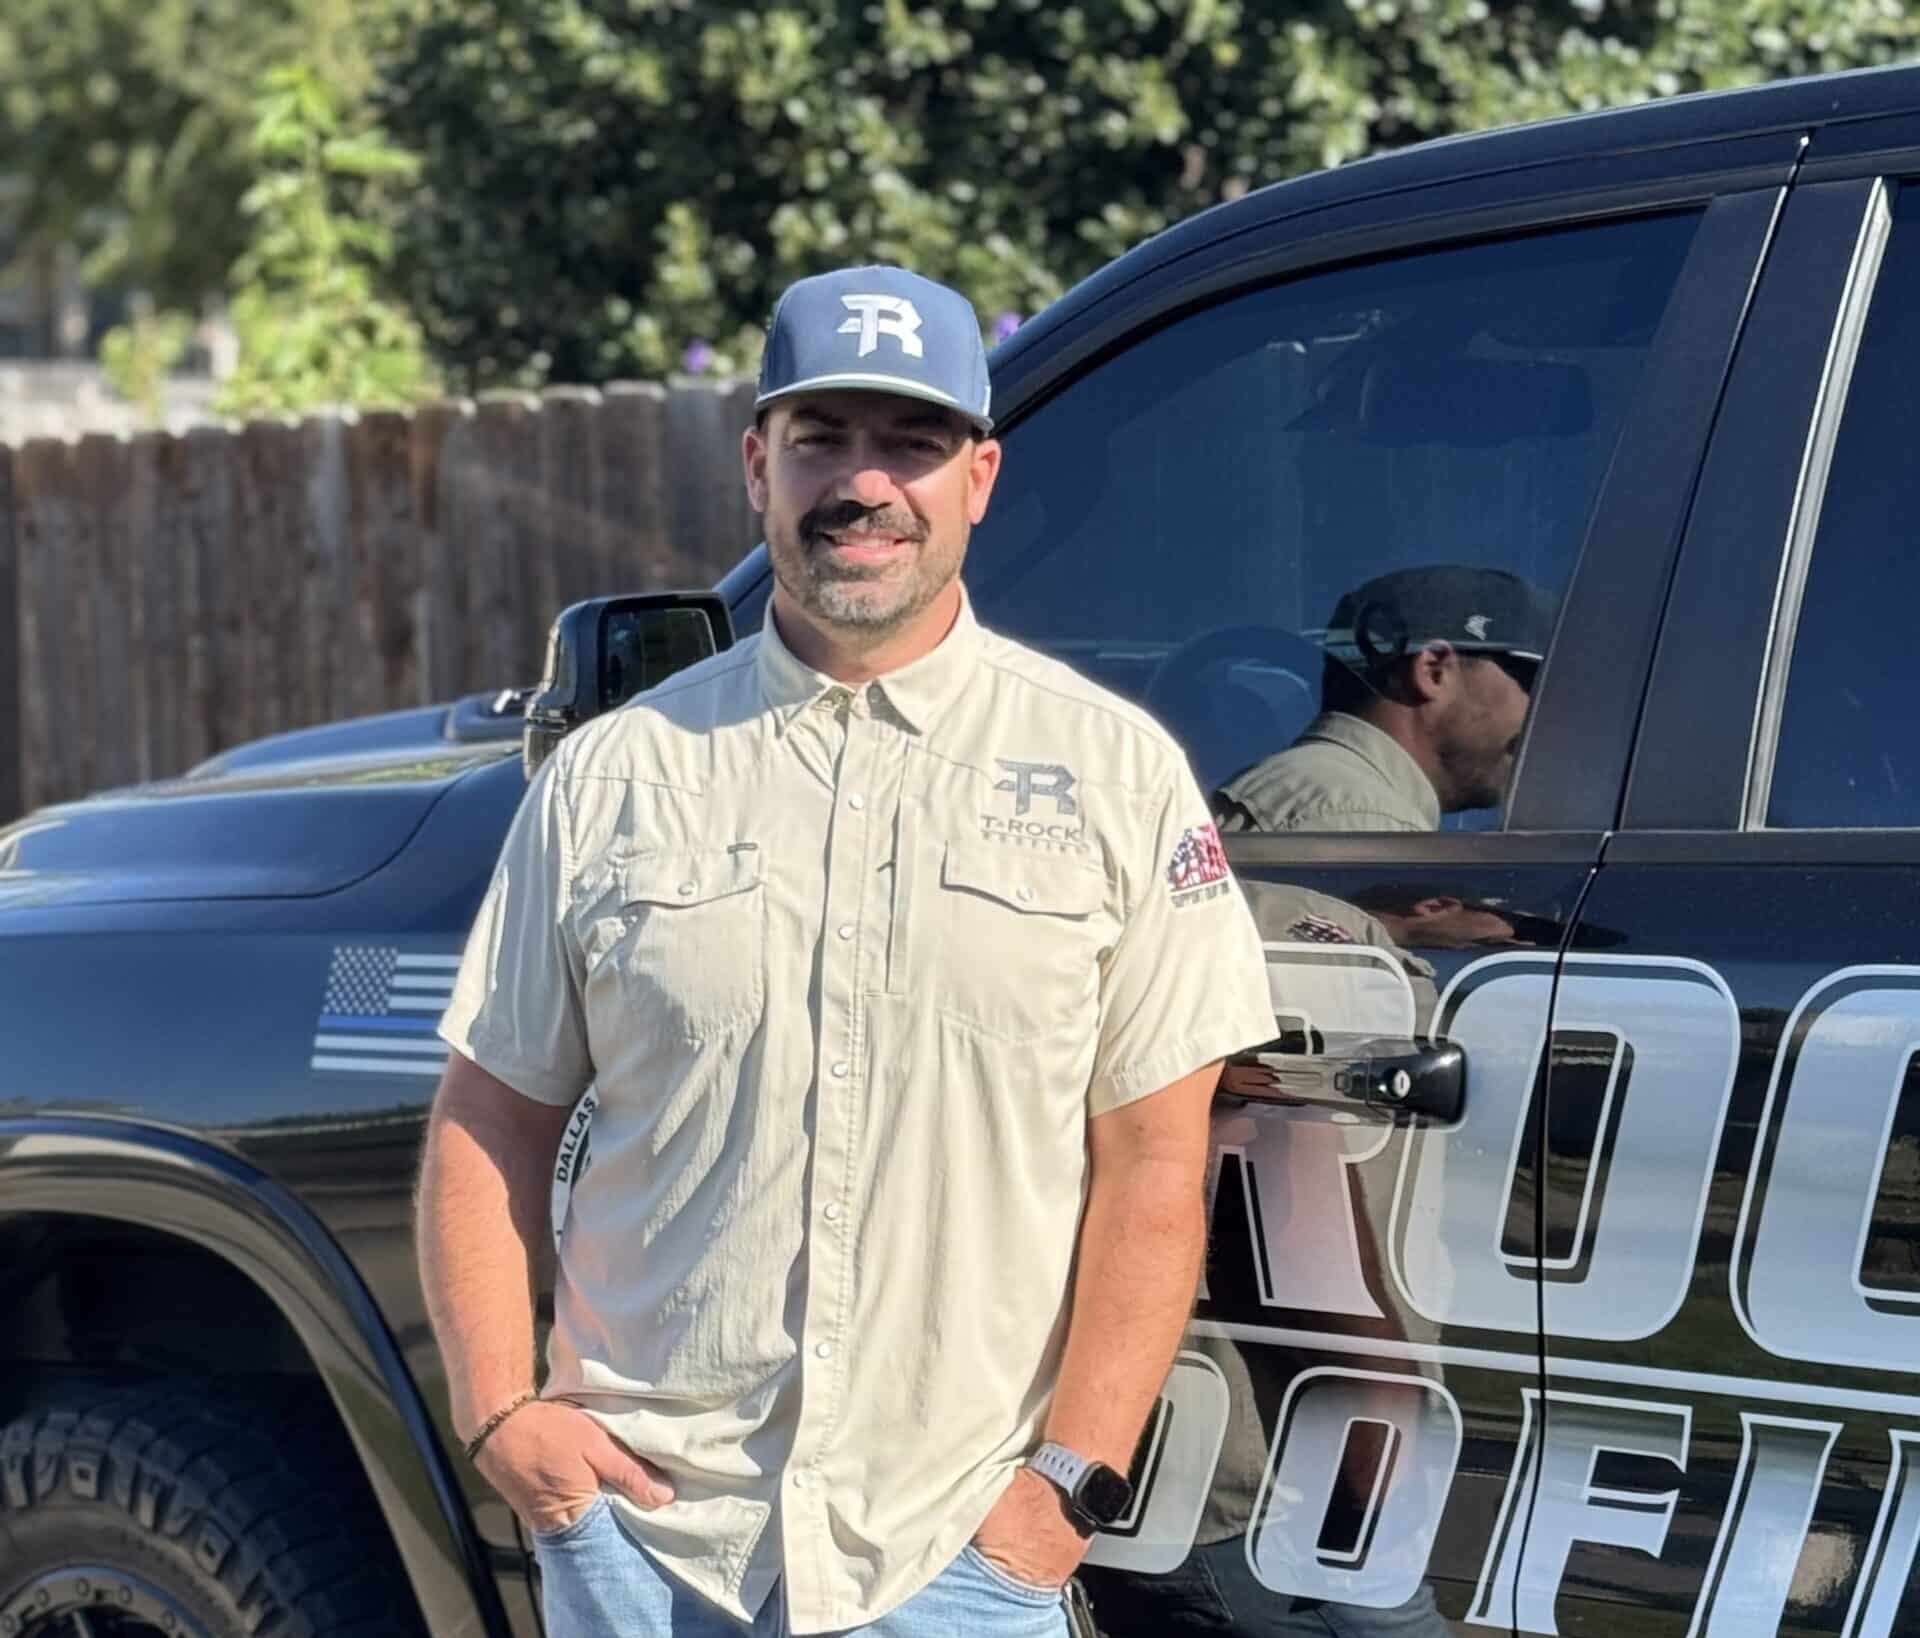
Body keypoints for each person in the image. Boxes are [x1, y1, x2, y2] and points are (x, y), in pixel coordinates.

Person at [415, 265, 1276, 1638]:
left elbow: (1158, 1163)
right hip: (652, 1543)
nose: (862, 483)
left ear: (980, 477)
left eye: (911, 444)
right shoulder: (615, 777)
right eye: (823, 438)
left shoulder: (1114, 777)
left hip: (960, 1551)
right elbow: (490, 1112)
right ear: (759, 464)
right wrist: (504, 1415)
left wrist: (1061, 1490)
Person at [1214, 566, 1556, 834]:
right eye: (1535, 683)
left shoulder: (1316, 793)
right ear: (1433, 672)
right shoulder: (1363, 820)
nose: (1546, 714)